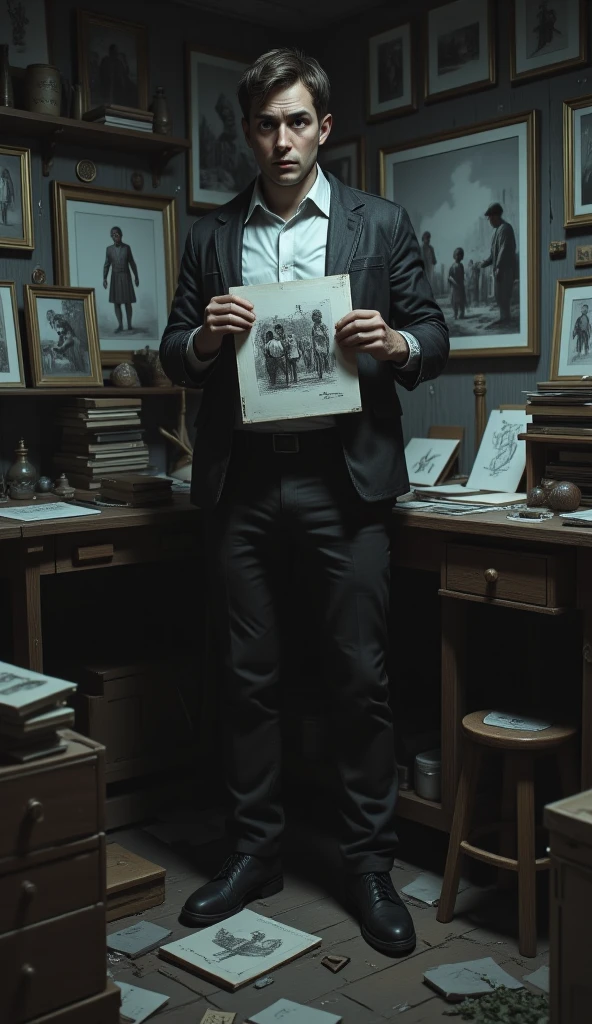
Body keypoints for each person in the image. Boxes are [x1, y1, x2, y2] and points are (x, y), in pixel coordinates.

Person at [160, 47, 449, 958]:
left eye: (296, 121)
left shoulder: (379, 223)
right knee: (248, 680)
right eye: (263, 123)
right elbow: (170, 352)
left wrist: (394, 341)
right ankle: (256, 852)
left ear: (324, 128)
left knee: (359, 679)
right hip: (243, 482)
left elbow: (434, 333)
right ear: (246, 133)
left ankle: (367, 864)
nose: (280, 140)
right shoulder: (212, 236)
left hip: (343, 481)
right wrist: (204, 341)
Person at [478, 202, 517, 326]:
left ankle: (506, 317)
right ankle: (503, 317)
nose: (489, 221)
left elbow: (504, 250)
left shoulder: (506, 228)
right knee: (499, 294)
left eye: (490, 218)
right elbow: (493, 254)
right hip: (498, 269)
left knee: (504, 294)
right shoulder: (496, 232)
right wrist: (486, 262)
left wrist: (499, 266)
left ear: (496, 216)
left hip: (505, 269)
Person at [103, 226, 139, 334]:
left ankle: (129, 325)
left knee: (128, 302)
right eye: (113, 235)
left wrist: (136, 277)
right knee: (116, 303)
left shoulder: (127, 248)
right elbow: (106, 265)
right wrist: (104, 278)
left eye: (117, 234)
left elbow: (132, 262)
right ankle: (120, 325)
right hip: (115, 278)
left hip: (126, 277)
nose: (115, 237)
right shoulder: (109, 249)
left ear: (121, 235)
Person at [310, 308, 330, 378]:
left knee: (324, 357)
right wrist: (313, 346)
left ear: (320, 317)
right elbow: (312, 337)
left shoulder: (323, 325)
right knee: (318, 358)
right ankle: (320, 373)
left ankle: (326, 370)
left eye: (317, 316)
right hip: (316, 344)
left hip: (323, 343)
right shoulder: (313, 327)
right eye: (314, 316)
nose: (315, 318)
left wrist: (327, 345)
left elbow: (327, 336)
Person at [448, 247, 466, 320]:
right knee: (455, 301)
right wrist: (454, 283)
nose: (459, 257)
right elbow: (450, 277)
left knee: (462, 300)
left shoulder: (461, 265)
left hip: (461, 285)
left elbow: (462, 275)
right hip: (455, 286)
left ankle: (462, 313)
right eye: (457, 255)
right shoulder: (453, 266)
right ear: (454, 255)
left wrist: (462, 283)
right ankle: (455, 314)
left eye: (460, 255)